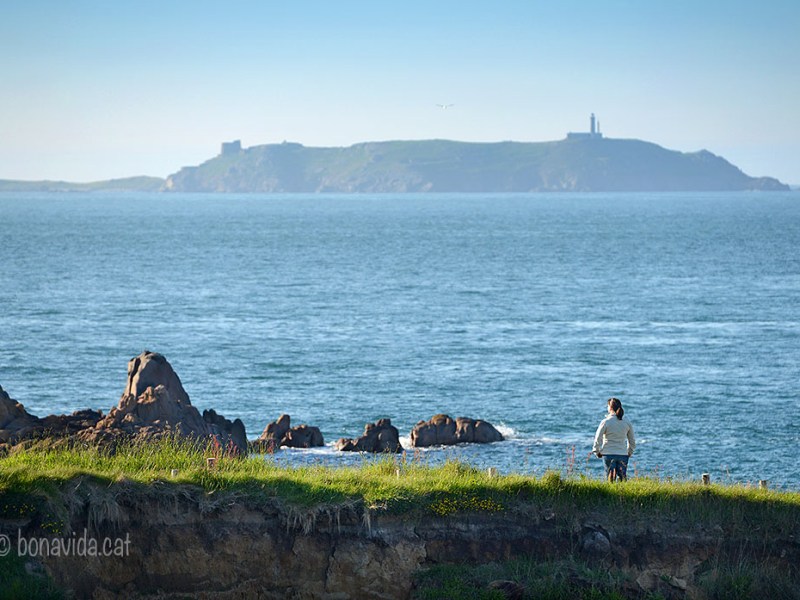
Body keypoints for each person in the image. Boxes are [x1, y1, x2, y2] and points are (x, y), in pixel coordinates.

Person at [592, 397, 635, 481]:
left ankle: (611, 494)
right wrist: (629, 452)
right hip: (623, 453)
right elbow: (632, 440)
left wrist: (597, 452)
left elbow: (598, 438)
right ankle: (623, 493)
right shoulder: (627, 422)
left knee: (610, 479)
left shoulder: (606, 421)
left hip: (608, 453)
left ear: (610, 407)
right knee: (623, 478)